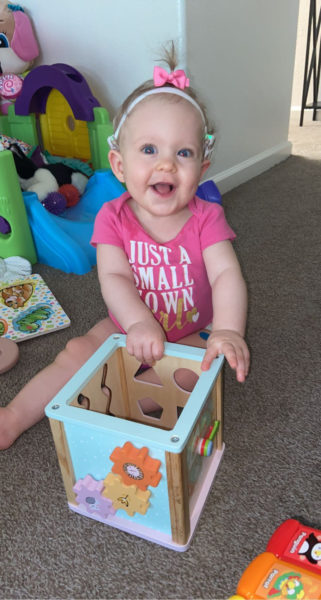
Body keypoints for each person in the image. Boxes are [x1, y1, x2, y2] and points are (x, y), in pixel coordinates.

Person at [0, 46, 250, 450]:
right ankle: (13, 417)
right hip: (127, 325)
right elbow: (113, 276)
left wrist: (227, 331)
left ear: (202, 168)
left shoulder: (206, 218)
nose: (166, 164)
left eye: (182, 152)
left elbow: (226, 275)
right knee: (77, 352)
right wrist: (137, 322)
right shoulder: (112, 217)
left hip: (193, 331)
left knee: (185, 377)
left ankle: (119, 415)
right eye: (149, 150)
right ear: (119, 165)